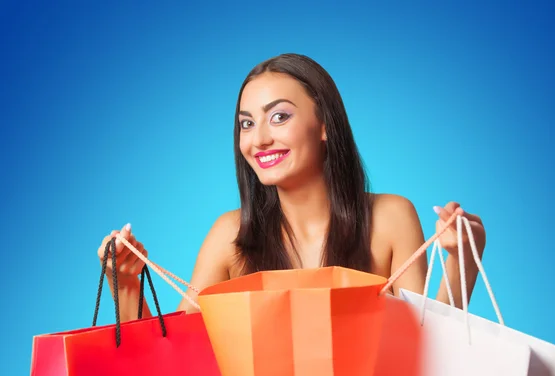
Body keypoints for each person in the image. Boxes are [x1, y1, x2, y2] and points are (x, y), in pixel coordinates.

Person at [97, 53, 486, 322]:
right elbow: (176, 361)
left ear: (325, 125)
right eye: (246, 124)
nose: (258, 139)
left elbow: (426, 349)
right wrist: (126, 283)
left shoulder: (389, 217)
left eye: (279, 116)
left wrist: (464, 261)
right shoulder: (230, 236)